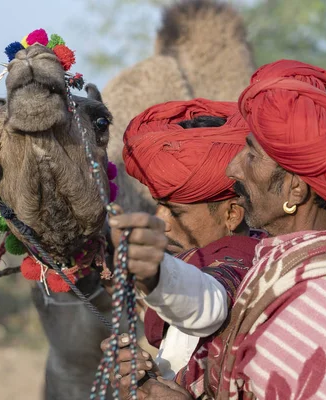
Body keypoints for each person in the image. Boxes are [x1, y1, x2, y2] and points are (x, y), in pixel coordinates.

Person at [108, 60, 326, 399]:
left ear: (294, 191)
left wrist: (154, 273)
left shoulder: (317, 302)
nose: (233, 167)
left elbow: (209, 302)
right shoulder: (284, 272)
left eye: (251, 156)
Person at [107, 98, 258, 384]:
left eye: (176, 210)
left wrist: (154, 273)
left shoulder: (244, 262)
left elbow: (208, 306)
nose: (161, 221)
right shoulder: (196, 264)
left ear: (232, 214)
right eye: (159, 205)